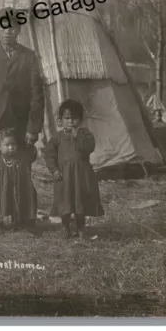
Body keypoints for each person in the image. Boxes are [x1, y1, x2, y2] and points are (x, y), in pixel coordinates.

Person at [0, 9, 45, 153]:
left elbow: (37, 94)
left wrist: (33, 128)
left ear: (18, 30)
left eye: (11, 28)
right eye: (3, 27)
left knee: (21, 164)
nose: (7, 31)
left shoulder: (29, 56)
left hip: (20, 121)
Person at [45, 99, 104, 239]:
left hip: (81, 176)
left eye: (74, 118)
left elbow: (88, 148)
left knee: (80, 203)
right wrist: (54, 170)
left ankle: (81, 228)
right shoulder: (57, 138)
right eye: (67, 118)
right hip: (64, 177)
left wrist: (77, 135)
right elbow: (49, 155)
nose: (70, 121)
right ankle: (66, 228)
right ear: (60, 120)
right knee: (65, 203)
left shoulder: (85, 134)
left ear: (81, 120)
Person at [0, 128, 37, 231]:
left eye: (13, 144)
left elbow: (32, 155)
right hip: (0, 188)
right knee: (2, 203)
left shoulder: (20, 158)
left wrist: (30, 143)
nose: (11, 147)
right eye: (7, 145)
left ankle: (19, 222)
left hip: (16, 188)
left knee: (17, 202)